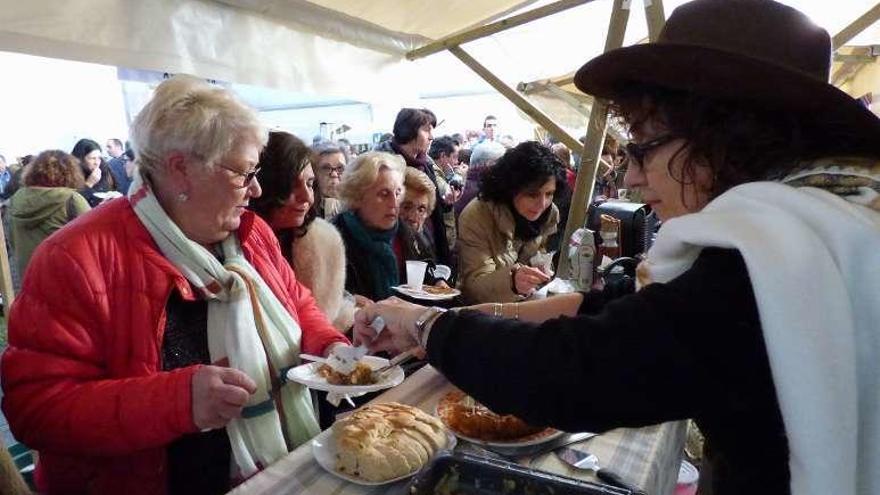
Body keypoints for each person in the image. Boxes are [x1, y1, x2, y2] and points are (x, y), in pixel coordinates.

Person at [352, 1, 880, 494]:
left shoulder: (772, 259)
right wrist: (440, 315)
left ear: (724, 139)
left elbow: (576, 372)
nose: (628, 177)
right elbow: (613, 312)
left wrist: (427, 326)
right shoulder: (828, 227)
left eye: (644, 147)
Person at [1, 75, 352, 495]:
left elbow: (297, 304)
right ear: (181, 170)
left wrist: (331, 345)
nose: (256, 189)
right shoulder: (75, 257)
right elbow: (35, 410)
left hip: (279, 471)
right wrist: (177, 400)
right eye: (244, 172)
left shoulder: (248, 234)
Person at [251, 131, 360, 331]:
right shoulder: (236, 245)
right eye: (292, 185)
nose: (306, 197)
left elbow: (326, 314)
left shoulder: (323, 240)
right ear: (265, 185)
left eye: (310, 184)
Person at [457, 141, 563, 303]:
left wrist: (542, 270)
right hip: (481, 314)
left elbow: (540, 253)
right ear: (511, 189)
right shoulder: (477, 215)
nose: (542, 204)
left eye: (549, 194)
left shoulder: (549, 213)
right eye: (532, 194)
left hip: (524, 308)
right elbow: (473, 287)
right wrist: (512, 282)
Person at [332, 152, 437, 301]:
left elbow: (424, 272)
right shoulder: (333, 240)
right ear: (357, 196)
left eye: (398, 192)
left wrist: (436, 282)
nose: (395, 203)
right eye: (384, 194)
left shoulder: (407, 233)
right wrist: (349, 303)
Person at [375, 108, 452, 266]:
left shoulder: (426, 163)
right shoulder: (382, 164)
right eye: (426, 130)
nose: (431, 136)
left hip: (427, 243)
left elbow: (433, 209)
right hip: (395, 248)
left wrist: (446, 204)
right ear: (409, 131)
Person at [8, 149, 90, 274]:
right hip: (66, 281)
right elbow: (93, 244)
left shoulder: (15, 200)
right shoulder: (71, 200)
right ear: (70, 172)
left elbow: (12, 241)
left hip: (30, 281)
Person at [454, 140, 505, 220]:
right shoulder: (489, 191)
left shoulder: (462, 185)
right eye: (502, 163)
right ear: (489, 164)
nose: (505, 167)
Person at [427, 135, 462, 249]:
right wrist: (459, 177)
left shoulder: (432, 170)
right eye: (455, 157)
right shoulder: (435, 176)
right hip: (441, 241)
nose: (456, 162)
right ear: (443, 156)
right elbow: (446, 191)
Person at [71, 138, 116, 207]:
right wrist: (89, 184)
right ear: (80, 159)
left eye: (99, 158)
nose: (97, 162)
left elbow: (117, 188)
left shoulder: (105, 169)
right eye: (92, 158)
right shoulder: (71, 174)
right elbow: (71, 201)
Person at [310, 141, 346, 218]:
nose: (334, 174)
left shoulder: (357, 207)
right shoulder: (305, 208)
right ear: (314, 173)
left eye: (340, 168)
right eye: (326, 168)